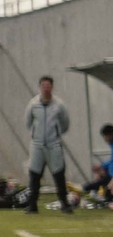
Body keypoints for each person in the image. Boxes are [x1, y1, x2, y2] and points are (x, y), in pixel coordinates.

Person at [24, 76, 72, 215]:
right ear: (40, 87)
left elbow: (65, 123)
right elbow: (28, 122)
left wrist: (56, 133)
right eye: (43, 86)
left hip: (53, 144)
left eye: (48, 86)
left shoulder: (58, 105)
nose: (46, 89)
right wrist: (36, 135)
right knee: (34, 174)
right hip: (37, 145)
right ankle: (32, 205)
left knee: (59, 174)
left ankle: (64, 204)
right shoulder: (33, 104)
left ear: (52, 87)